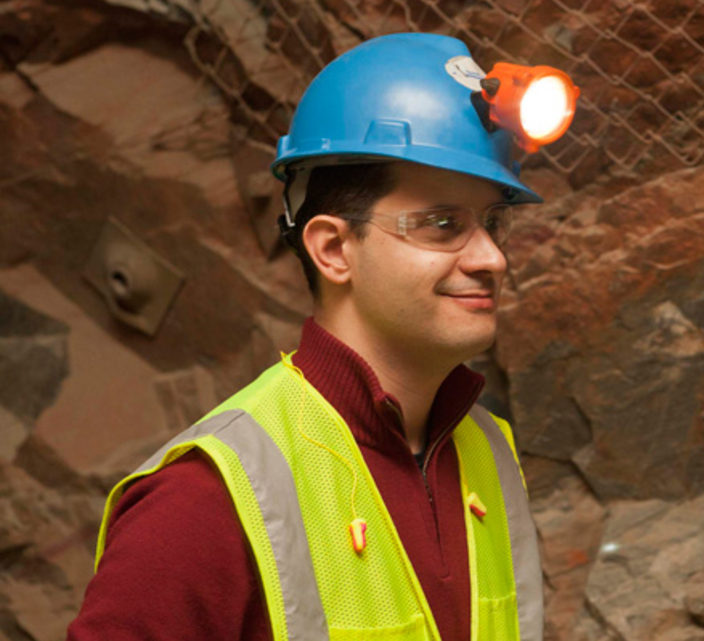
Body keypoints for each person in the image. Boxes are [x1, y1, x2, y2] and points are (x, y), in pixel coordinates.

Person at [67, 32, 577, 641]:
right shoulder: (205, 497)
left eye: (494, 222)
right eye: (444, 224)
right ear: (334, 249)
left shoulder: (487, 454)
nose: (491, 256)